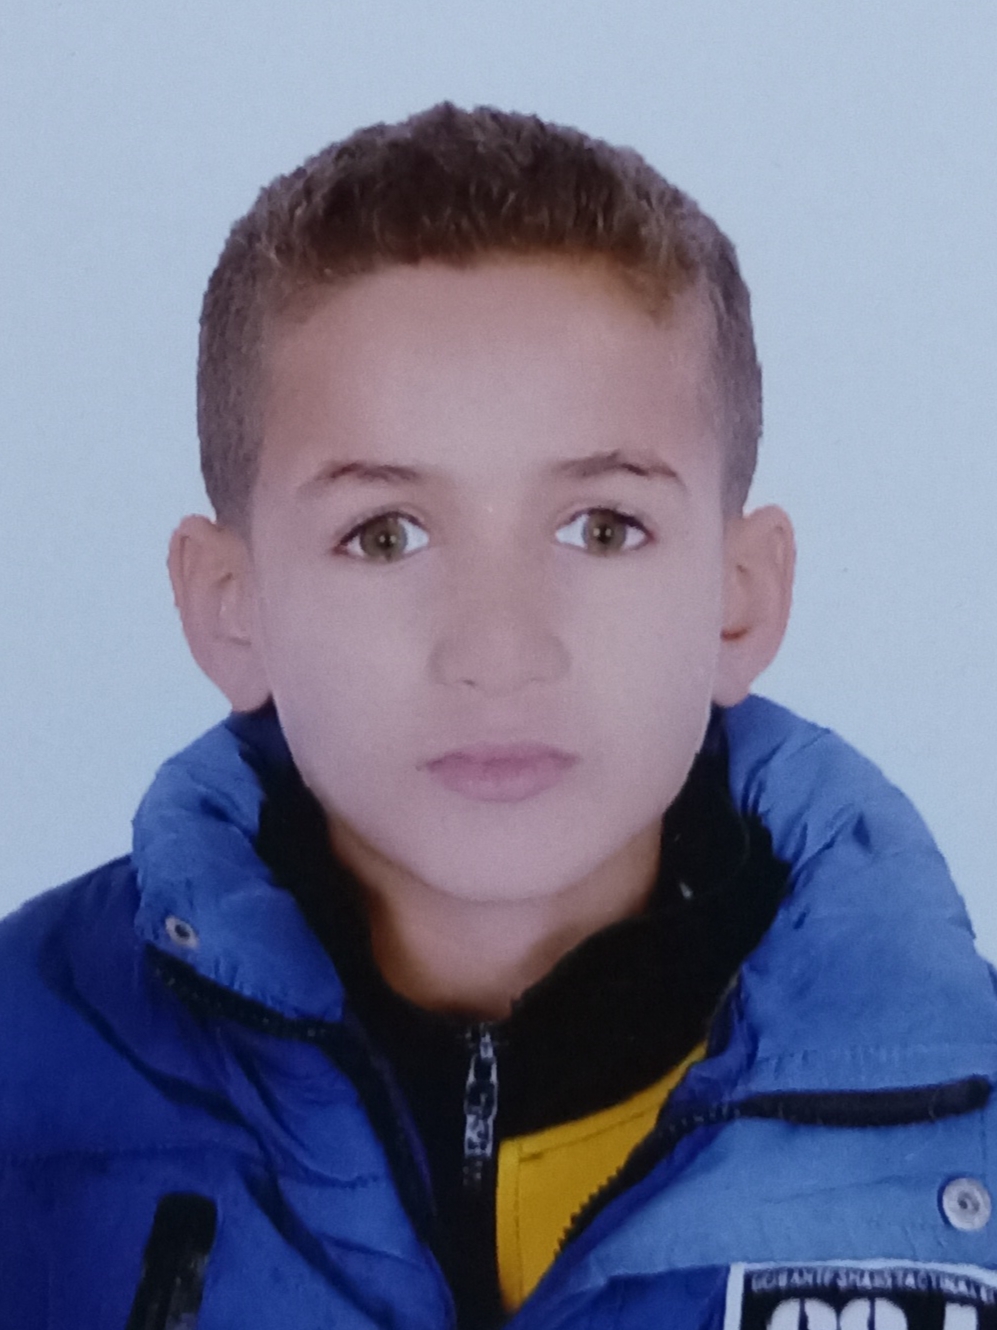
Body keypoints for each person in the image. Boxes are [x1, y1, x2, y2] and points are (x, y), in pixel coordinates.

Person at [1, 102, 995, 1330]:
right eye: (385, 535)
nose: (498, 649)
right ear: (231, 605)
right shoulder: (25, 1063)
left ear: (739, 598)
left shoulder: (974, 1135)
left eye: (602, 527)